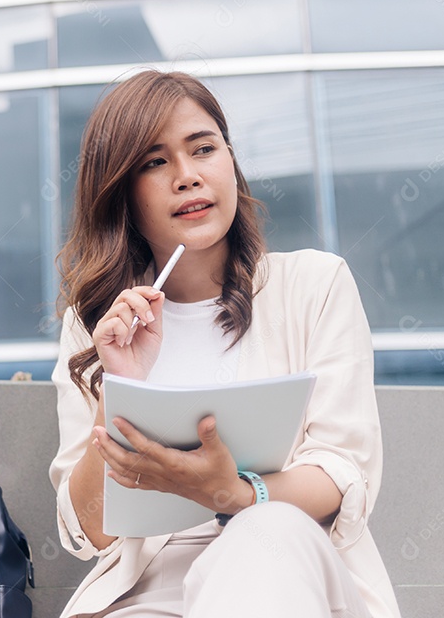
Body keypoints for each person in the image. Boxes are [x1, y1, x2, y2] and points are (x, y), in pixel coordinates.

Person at [48, 70, 401, 618]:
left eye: (204, 149)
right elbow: (88, 530)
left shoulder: (314, 285)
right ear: (123, 191)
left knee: (268, 529)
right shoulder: (96, 325)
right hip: (153, 585)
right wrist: (117, 385)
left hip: (292, 562)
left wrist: (233, 494)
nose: (188, 176)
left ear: (230, 164)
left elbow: (343, 472)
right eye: (155, 161)